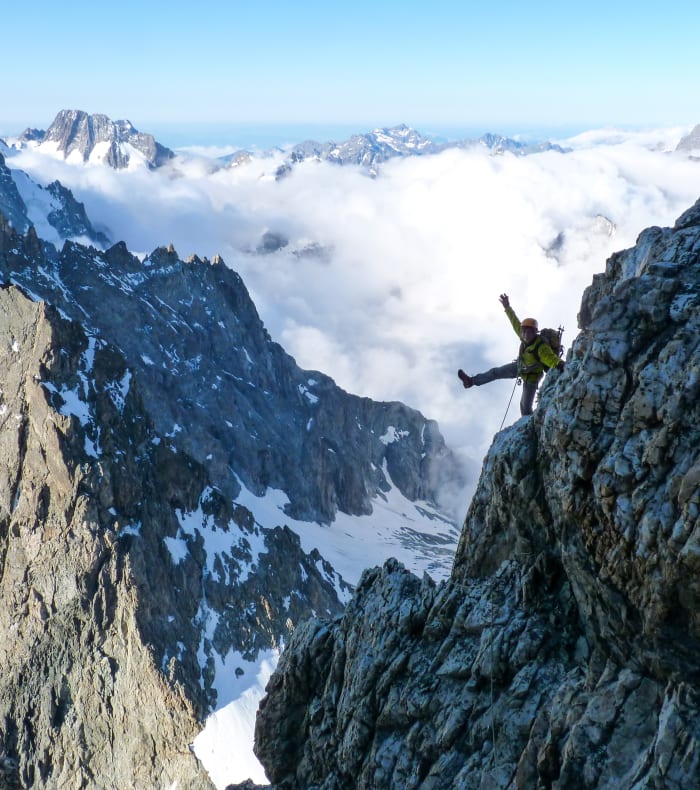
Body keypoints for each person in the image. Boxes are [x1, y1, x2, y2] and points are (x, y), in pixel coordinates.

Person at [457, 293, 564, 416]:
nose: (525, 334)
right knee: (495, 372)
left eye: (529, 332)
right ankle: (471, 381)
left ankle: (529, 424)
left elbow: (550, 359)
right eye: (524, 331)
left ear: (535, 332)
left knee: (524, 406)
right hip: (520, 367)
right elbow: (514, 321)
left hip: (532, 377)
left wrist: (561, 365)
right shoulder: (523, 336)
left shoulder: (541, 347)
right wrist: (507, 307)